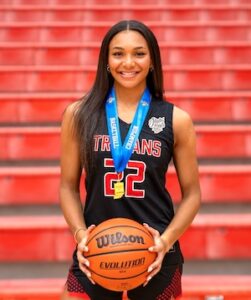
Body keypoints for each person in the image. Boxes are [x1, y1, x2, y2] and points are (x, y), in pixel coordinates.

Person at [60, 20, 201, 300]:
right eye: (118, 53)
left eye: (139, 53)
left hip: (156, 250)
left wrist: (166, 240)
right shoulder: (78, 115)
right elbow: (67, 186)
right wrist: (80, 235)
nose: (128, 62)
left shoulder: (176, 119)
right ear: (106, 61)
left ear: (152, 61)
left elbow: (193, 195)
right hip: (96, 250)